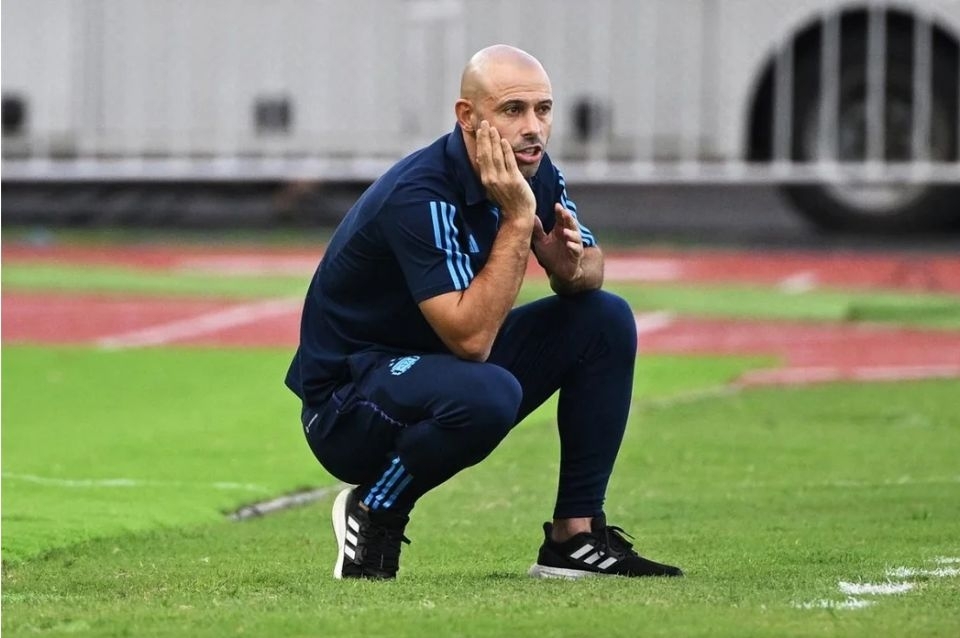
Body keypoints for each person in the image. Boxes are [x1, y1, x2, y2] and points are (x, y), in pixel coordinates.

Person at [285, 44, 682, 580]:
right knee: (488, 393)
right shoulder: (421, 194)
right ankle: (375, 508)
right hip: (349, 403)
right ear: (467, 117)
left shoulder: (532, 168)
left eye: (543, 109)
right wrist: (518, 221)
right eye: (513, 110)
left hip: (437, 370)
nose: (533, 128)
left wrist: (569, 270)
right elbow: (471, 341)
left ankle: (575, 537)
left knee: (603, 318)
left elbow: (591, 266)